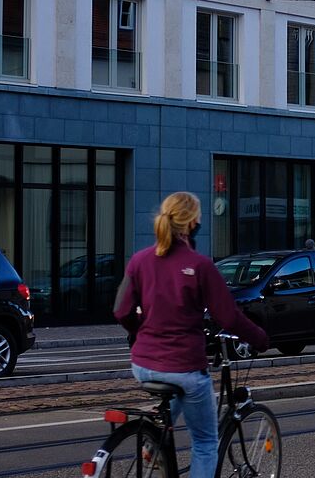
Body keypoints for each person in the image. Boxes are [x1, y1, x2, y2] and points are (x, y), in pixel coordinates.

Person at [113, 191, 268, 478]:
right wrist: (259, 337)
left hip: (143, 366)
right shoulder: (199, 266)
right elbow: (228, 316)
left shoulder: (139, 260)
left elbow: (121, 311)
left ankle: (154, 444)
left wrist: (141, 333)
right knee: (206, 442)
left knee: (174, 398)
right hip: (184, 366)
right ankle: (156, 446)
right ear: (192, 222)